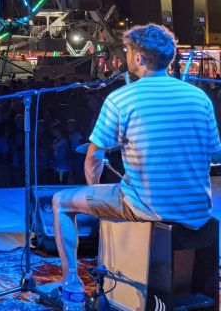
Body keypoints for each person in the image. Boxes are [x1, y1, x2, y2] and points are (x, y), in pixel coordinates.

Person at [52, 24, 221, 303]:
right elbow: (215, 154)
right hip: (198, 209)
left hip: (147, 206)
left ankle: (71, 286)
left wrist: (93, 190)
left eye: (128, 51)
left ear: (139, 58)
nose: (127, 57)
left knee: (61, 201)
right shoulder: (199, 97)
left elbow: (94, 156)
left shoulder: (121, 98)